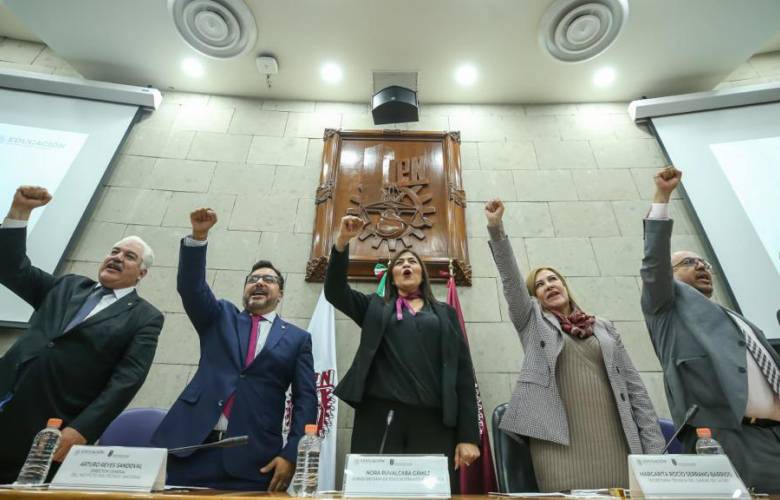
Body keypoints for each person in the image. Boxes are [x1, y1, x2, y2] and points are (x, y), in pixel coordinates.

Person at [484, 199, 664, 492]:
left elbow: (636, 391)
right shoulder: (532, 323)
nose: (548, 285)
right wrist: (496, 228)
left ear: (565, 285)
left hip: (616, 439)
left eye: (553, 279)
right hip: (559, 447)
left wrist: (655, 456)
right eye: (539, 285)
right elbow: (511, 281)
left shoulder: (604, 327)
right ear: (534, 298)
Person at [0, 185, 163, 483]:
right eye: (114, 251)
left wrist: (83, 429)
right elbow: (12, 268)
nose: (117, 257)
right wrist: (19, 213)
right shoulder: (68, 285)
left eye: (129, 256)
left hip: (47, 426)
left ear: (141, 274)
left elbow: (125, 381)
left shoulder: (145, 317)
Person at [151, 208, 316, 492]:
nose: (259, 282)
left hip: (254, 456)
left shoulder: (298, 339)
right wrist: (198, 237)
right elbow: (191, 287)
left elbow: (306, 399)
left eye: (269, 280)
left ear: (280, 294)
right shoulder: (219, 317)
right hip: (189, 447)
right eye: (252, 279)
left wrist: (292, 454)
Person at [641, 166, 780, 493]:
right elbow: (654, 263)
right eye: (689, 263)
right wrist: (662, 197)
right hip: (729, 440)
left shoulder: (738, 321)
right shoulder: (666, 309)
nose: (701, 266)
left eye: (704, 263)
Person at [324, 215, 480, 493]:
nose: (406, 265)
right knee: (374, 496)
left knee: (431, 497)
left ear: (422, 274)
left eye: (412, 262)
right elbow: (335, 292)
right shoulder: (374, 307)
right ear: (392, 276)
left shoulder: (445, 314)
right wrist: (342, 243)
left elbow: (464, 375)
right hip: (379, 417)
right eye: (400, 263)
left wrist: (468, 436)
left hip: (434, 421)